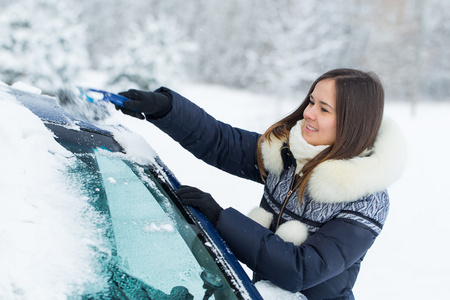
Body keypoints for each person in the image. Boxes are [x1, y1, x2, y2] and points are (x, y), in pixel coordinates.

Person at [116, 68, 406, 300]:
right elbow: (220, 142)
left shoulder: (365, 197)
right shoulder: (289, 155)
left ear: (351, 123)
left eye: (324, 109)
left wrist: (221, 219)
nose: (308, 113)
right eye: (311, 101)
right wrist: (166, 108)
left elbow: (301, 269)